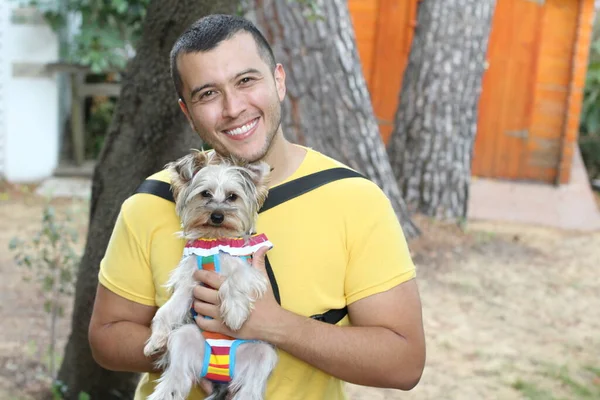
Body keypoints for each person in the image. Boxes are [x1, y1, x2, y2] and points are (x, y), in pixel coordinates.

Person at [88, 13, 426, 400]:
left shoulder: (355, 199)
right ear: (188, 111)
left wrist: (274, 326)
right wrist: (199, 348)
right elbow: (105, 339)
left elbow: (404, 363)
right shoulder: (150, 202)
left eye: (246, 80)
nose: (233, 107)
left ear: (279, 80)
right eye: (208, 94)